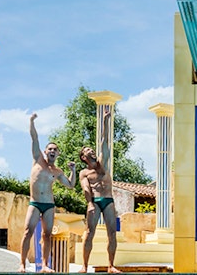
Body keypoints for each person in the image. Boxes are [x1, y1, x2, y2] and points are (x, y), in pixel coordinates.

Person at [19, 114, 77, 272]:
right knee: (27, 231)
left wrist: (73, 170)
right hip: (35, 203)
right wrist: (31, 121)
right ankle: (22, 264)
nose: (52, 151)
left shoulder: (57, 171)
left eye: (55, 150)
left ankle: (45, 265)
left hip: (49, 205)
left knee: (47, 235)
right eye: (50, 149)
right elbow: (34, 138)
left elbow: (71, 185)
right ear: (45, 151)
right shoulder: (38, 159)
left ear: (58, 154)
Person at [78, 108, 119, 273]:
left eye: (92, 149)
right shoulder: (84, 173)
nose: (91, 151)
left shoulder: (103, 163)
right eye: (88, 150)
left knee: (112, 233)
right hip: (94, 201)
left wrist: (105, 120)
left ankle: (111, 265)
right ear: (83, 157)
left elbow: (104, 140)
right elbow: (85, 188)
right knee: (89, 232)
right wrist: (90, 204)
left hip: (108, 200)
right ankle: (84, 266)